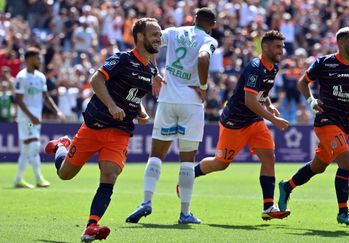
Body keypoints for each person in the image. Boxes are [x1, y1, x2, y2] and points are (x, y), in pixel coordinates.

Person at [44, 18, 162, 242]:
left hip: (120, 131)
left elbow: (132, 95)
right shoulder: (122, 59)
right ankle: (62, 145)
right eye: (154, 34)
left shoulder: (152, 69)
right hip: (95, 125)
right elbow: (96, 79)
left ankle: (91, 226)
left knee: (109, 175)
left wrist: (140, 112)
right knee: (65, 174)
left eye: (159, 34)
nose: (159, 38)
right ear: (139, 37)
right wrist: (111, 105)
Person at [277, 27, 349, 226]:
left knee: (318, 166)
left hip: (343, 123)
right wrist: (311, 101)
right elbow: (302, 83)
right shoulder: (324, 63)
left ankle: (287, 186)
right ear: (341, 43)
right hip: (325, 121)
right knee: (346, 162)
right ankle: (343, 212)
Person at [125, 8, 218, 225]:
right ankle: (184, 213)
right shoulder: (208, 39)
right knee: (187, 160)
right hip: (191, 102)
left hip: (167, 98)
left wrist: (154, 73)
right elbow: (203, 58)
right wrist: (203, 86)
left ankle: (146, 202)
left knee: (156, 155)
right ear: (213, 24)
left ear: (194, 19)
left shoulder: (174, 32)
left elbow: (148, 44)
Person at [191, 30, 290, 221]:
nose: (282, 50)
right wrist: (273, 119)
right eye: (278, 46)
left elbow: (262, 92)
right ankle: (188, 175)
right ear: (266, 46)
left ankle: (268, 207)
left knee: (269, 157)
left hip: (253, 121)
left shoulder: (273, 67)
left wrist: (269, 105)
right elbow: (250, 101)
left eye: (283, 46)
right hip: (234, 123)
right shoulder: (255, 67)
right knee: (221, 164)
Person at [14, 47, 65, 189]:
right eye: (37, 58)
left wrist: (57, 111)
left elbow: (46, 97)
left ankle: (18, 179)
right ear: (29, 59)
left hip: (36, 118)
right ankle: (39, 178)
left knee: (26, 150)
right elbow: (18, 100)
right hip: (27, 119)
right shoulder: (21, 77)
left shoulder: (40, 77)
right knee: (34, 145)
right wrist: (31, 116)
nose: (40, 60)